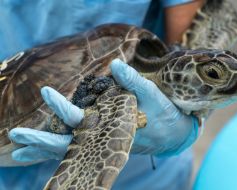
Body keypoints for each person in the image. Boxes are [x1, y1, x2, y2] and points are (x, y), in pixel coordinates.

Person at [0, 0, 205, 189]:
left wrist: (193, 120)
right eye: (211, 74)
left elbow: (197, 43)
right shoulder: (118, 102)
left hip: (136, 177)